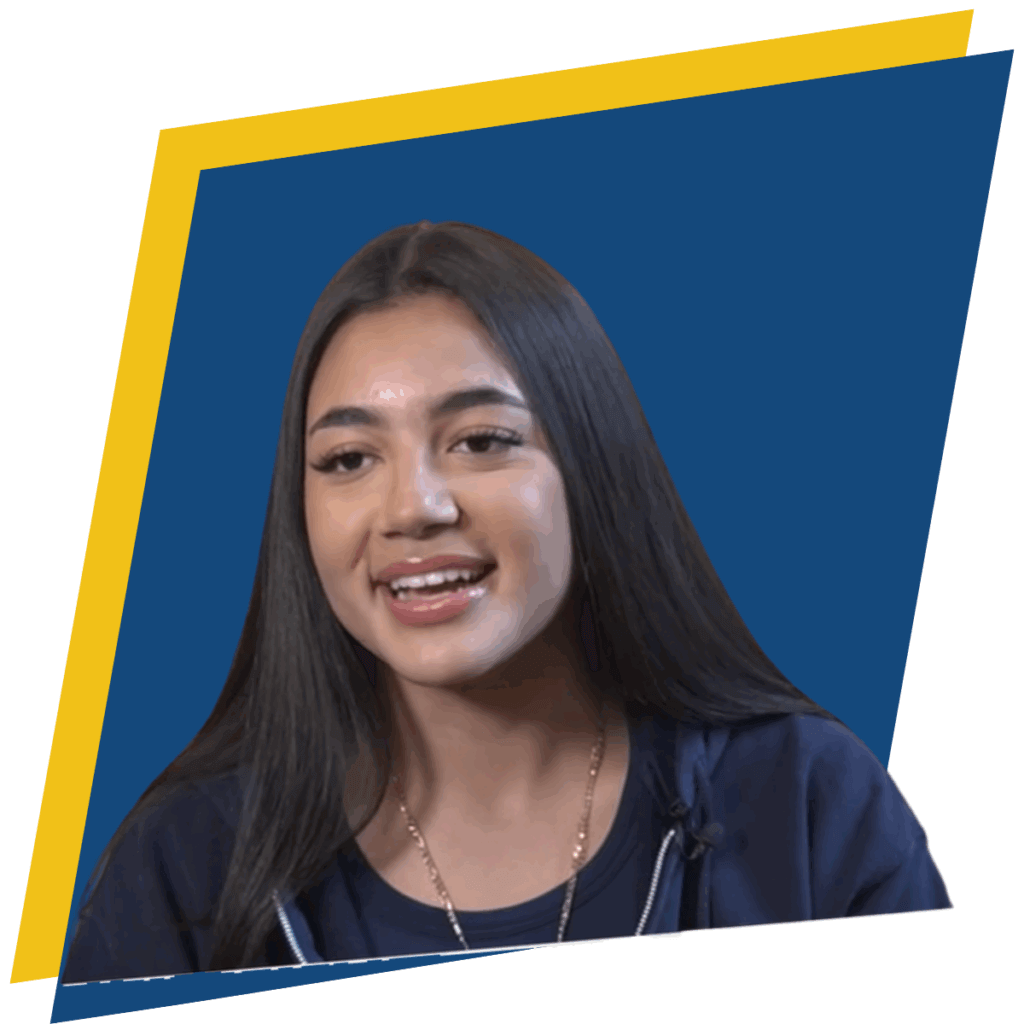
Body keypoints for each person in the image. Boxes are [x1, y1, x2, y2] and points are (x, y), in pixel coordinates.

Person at [62, 220, 950, 983]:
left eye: (482, 440)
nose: (413, 507)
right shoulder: (182, 869)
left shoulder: (806, 804)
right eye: (347, 460)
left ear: (592, 468)